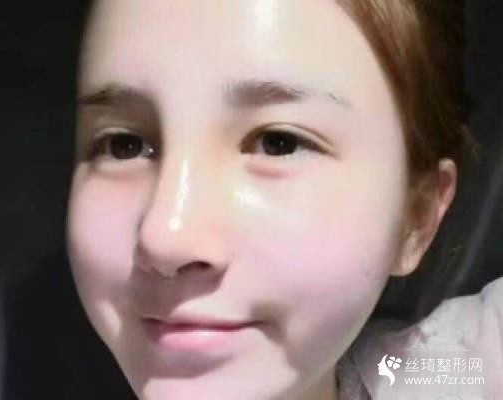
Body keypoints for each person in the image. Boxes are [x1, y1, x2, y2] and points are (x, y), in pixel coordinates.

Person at [65, 1, 502, 399]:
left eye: (278, 143)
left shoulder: (443, 372)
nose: (166, 237)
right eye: (123, 146)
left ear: (417, 217)